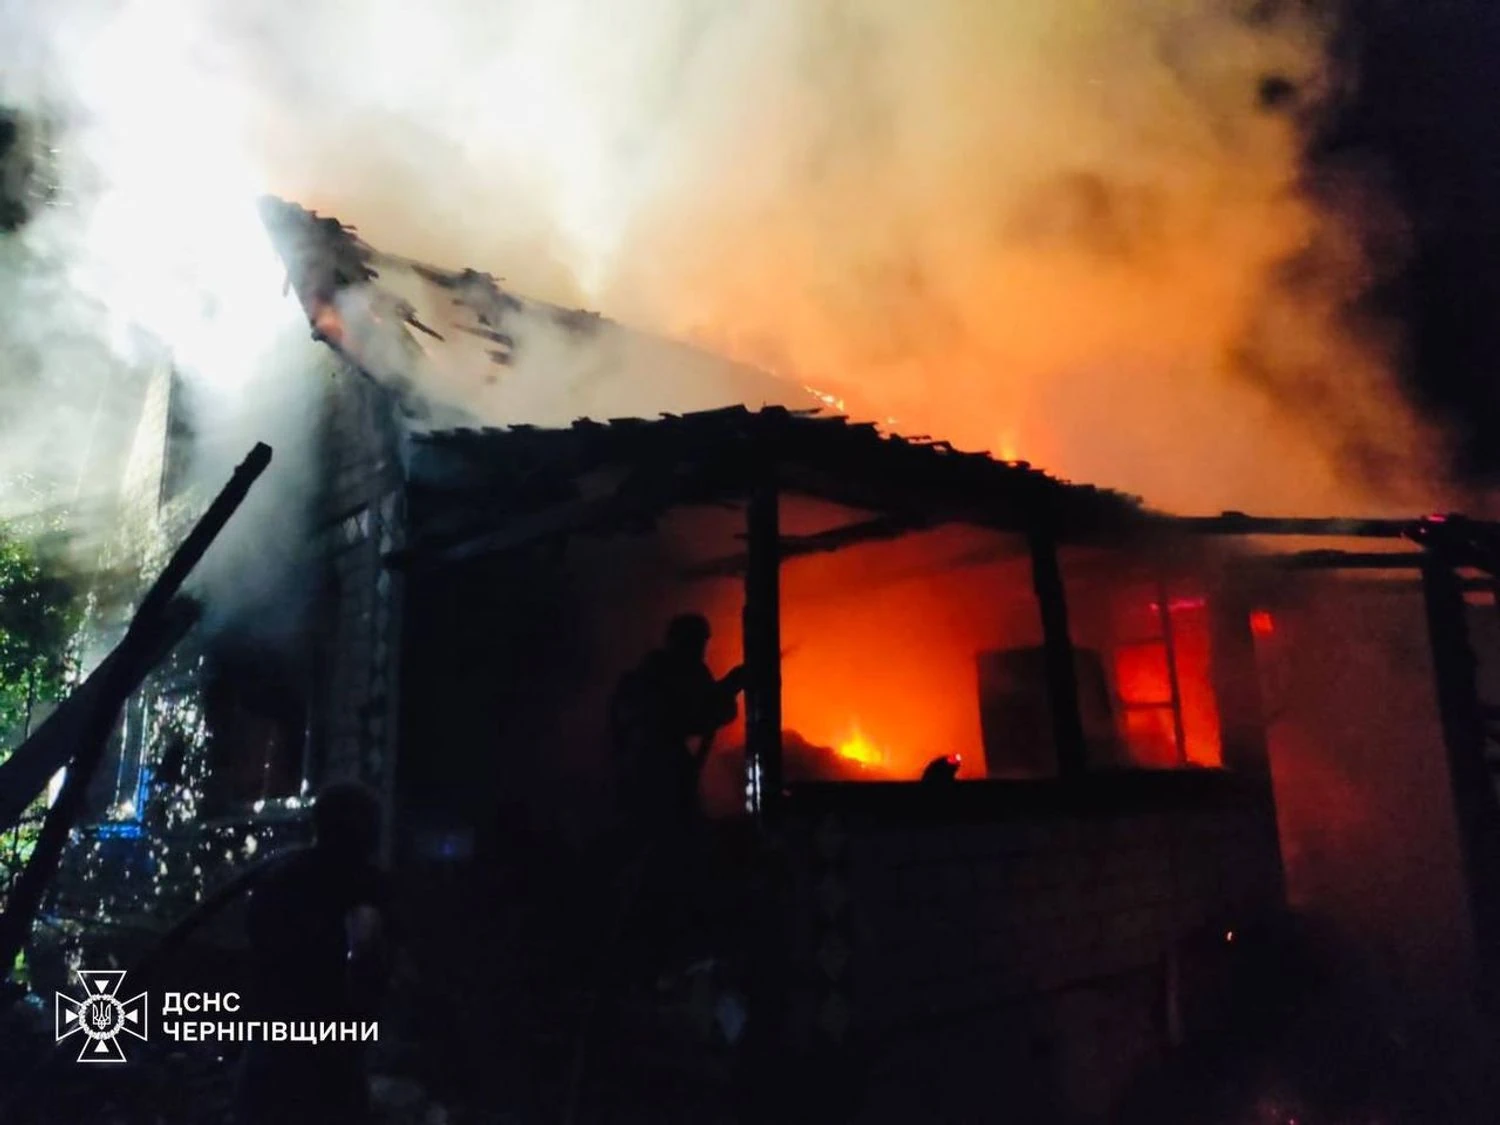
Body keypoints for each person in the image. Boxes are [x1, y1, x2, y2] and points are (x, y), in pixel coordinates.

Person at [235, 781, 392, 1125]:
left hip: (276, 1048)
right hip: (327, 1058)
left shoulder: (278, 878)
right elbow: (369, 962)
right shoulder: (367, 887)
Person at [610, 613, 745, 830]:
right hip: (653, 764)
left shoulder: (666, 669)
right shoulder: (660, 672)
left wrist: (728, 689)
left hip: (652, 761)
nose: (702, 650)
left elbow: (710, 710)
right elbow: (695, 713)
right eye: (697, 643)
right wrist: (728, 688)